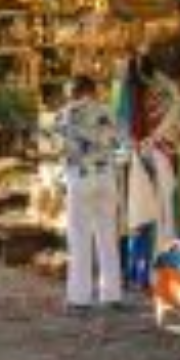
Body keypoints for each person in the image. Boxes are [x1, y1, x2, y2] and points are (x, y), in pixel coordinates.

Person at [55, 74, 124, 314]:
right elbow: (119, 143)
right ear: (93, 90)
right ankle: (112, 293)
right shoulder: (108, 111)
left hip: (79, 179)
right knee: (107, 237)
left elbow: (59, 147)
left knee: (80, 238)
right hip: (106, 179)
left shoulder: (65, 114)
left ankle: (80, 297)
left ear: (74, 91)